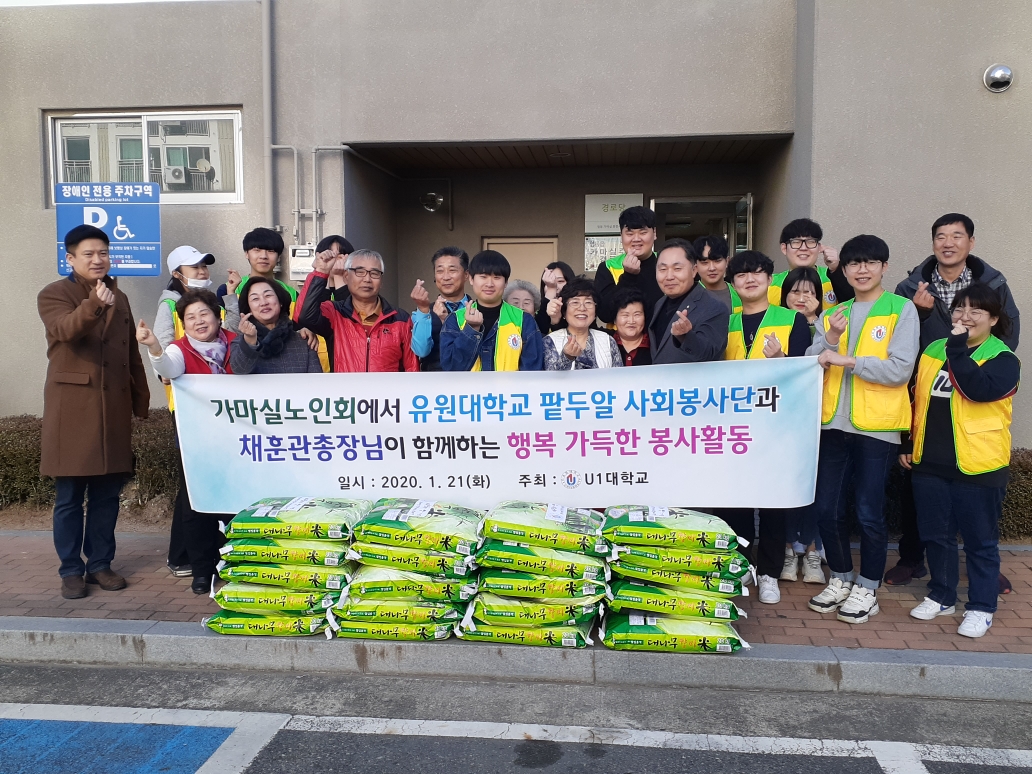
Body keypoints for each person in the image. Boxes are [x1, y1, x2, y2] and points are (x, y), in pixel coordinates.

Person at [887, 213, 1021, 588]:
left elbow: (1008, 330)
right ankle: (913, 559)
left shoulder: (992, 283)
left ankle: (984, 572)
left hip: (977, 388)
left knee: (978, 502)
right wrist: (919, 313)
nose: (948, 243)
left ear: (970, 243)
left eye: (957, 236)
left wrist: (981, 367)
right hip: (928, 385)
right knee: (922, 487)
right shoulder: (910, 286)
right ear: (933, 244)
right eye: (941, 236)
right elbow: (900, 341)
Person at [806, 235, 920, 625]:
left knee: (870, 511)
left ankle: (867, 586)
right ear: (845, 269)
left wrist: (848, 359)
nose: (862, 269)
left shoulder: (900, 310)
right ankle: (840, 578)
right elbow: (812, 361)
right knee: (826, 508)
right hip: (831, 423)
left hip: (877, 427)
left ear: (884, 267)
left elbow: (901, 369)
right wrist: (831, 340)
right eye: (854, 263)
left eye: (870, 262)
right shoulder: (834, 312)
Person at [37, 225, 150, 600]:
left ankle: (100, 564)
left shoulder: (120, 296)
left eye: (103, 252)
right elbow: (65, 330)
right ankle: (70, 569)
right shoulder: (54, 294)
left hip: (113, 409)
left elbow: (130, 353)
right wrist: (95, 303)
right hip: (73, 410)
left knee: (106, 496)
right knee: (69, 496)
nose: (98, 259)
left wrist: (140, 397)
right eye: (88, 254)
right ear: (70, 259)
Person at [901, 285, 1019, 638]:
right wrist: (907, 443)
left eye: (975, 311)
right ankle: (942, 595)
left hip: (979, 465)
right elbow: (915, 397)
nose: (964, 317)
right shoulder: (934, 350)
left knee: (980, 542)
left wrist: (957, 349)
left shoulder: (1003, 358)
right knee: (936, 536)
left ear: (994, 319)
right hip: (930, 461)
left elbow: (977, 389)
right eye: (958, 309)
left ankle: (982, 607)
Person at [717, 250, 812, 603]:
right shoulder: (726, 320)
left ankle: (769, 573)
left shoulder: (792, 321)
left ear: (770, 280)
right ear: (733, 282)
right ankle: (742, 567)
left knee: (773, 504)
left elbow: (805, 374)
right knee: (735, 502)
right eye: (741, 275)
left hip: (776, 428)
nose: (749, 279)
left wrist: (781, 361)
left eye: (757, 273)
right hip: (734, 429)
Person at [136, 290, 235, 593]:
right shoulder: (178, 350)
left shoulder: (238, 341)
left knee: (237, 501)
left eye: (204, 313)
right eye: (190, 317)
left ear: (217, 315)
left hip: (239, 438)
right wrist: (154, 346)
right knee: (197, 504)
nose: (198, 321)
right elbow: (168, 368)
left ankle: (236, 565)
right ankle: (202, 570)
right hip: (197, 438)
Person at [216, 227, 326, 369]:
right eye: (257, 250)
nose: (263, 256)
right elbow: (229, 333)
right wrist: (231, 294)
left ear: (279, 257)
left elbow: (295, 326)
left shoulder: (291, 293)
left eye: (271, 251)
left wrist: (304, 330)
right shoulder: (228, 288)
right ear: (246, 254)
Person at [778, 265, 827, 583]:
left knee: (815, 487)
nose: (802, 297)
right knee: (785, 486)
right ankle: (785, 549)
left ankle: (810, 550)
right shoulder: (778, 324)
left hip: (822, 418)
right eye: (795, 291)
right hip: (783, 420)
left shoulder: (831, 327)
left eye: (809, 292)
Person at [297, 248, 418, 373]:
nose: (367, 279)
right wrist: (321, 272)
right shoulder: (335, 313)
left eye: (374, 273)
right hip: (345, 392)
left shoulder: (400, 319)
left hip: (387, 392)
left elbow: (412, 368)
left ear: (381, 281)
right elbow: (304, 315)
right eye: (360, 272)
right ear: (346, 277)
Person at [441, 250, 543, 371]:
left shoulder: (523, 320)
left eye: (496, 277)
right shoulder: (455, 320)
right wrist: (471, 330)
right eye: (483, 277)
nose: (489, 284)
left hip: (509, 390)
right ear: (471, 279)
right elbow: (451, 369)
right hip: (471, 390)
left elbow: (532, 374)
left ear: (505, 283)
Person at [648, 238, 729, 364]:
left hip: (693, 383)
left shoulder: (714, 306)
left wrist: (685, 336)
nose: (669, 276)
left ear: (694, 270)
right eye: (663, 269)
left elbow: (709, 353)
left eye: (677, 269)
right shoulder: (660, 303)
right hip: (661, 382)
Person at [230, 278, 323, 374]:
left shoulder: (303, 340)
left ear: (280, 301)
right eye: (255, 298)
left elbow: (316, 383)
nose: (263, 302)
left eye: (268, 295)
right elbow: (239, 370)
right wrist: (250, 340)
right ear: (249, 309)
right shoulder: (240, 343)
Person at [595, 206, 663, 325]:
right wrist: (628, 276)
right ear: (621, 236)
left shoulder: (666, 263)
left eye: (643, 232)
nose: (636, 239)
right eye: (630, 233)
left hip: (663, 341)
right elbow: (605, 314)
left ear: (655, 233)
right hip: (621, 341)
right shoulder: (608, 267)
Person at [409, 247, 471, 371]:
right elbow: (421, 351)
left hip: (470, 386)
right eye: (440, 271)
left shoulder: (476, 310)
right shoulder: (424, 312)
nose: (446, 277)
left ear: (466, 275)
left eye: (452, 270)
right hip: (435, 386)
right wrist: (423, 309)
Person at [768, 219, 853, 308]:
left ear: (819, 247)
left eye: (811, 242)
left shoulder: (833, 277)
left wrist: (836, 270)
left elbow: (855, 304)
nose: (804, 248)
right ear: (784, 248)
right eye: (796, 242)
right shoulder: (770, 283)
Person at [543, 278, 623, 370]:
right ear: (564, 311)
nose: (582, 308)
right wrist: (567, 357)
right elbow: (550, 380)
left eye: (588, 302)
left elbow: (617, 380)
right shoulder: (550, 341)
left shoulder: (608, 341)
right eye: (575, 302)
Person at [693, 235, 742, 314]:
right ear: (695, 265)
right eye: (705, 263)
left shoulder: (741, 292)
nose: (712, 268)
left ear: (727, 261)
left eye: (717, 261)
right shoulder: (688, 296)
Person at [612, 288, 651, 366]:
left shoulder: (654, 344)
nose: (631, 321)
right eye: (625, 315)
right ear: (615, 320)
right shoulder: (606, 344)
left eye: (637, 315)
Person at [537, 261, 575, 334]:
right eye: (548, 283)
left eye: (560, 281)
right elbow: (540, 332)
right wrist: (550, 292)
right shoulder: (538, 309)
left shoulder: (579, 307)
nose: (555, 286)